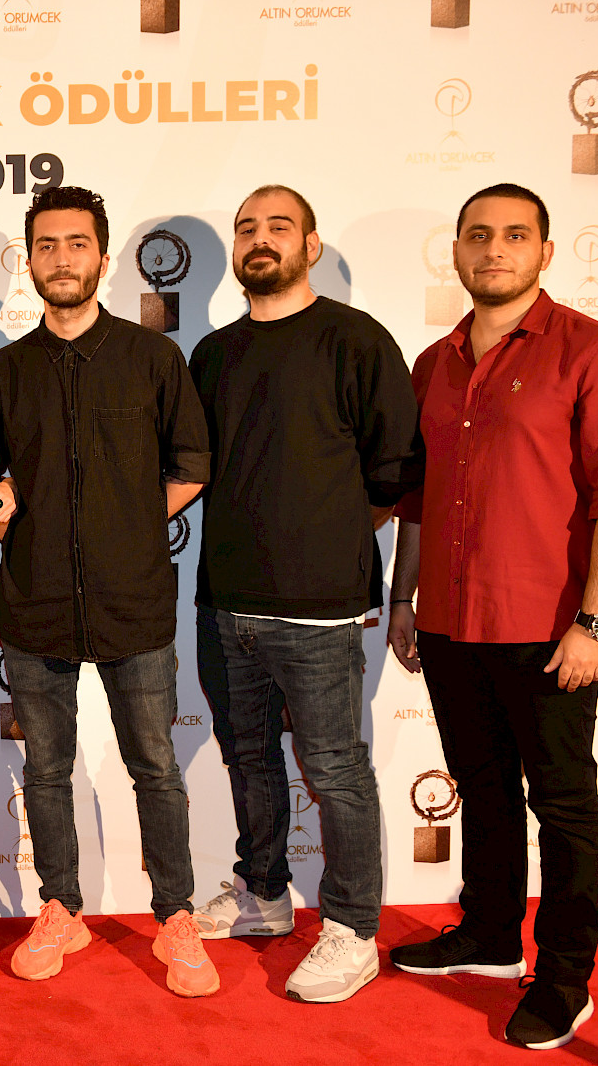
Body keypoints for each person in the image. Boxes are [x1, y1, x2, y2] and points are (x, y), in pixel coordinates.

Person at [386, 184, 598, 1050]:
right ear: (457, 251)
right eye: (478, 235)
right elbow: (420, 496)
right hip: (449, 619)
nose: (493, 249)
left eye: (513, 235)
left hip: (548, 625)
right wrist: (404, 596)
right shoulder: (434, 363)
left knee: (564, 802)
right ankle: (492, 934)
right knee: (485, 786)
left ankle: (566, 976)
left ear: (545, 250)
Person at [0, 186, 218, 995]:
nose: (62, 258)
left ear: (103, 258)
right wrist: (13, 519)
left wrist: (125, 525)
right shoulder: (2, 372)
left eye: (77, 243)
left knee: (156, 767)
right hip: (33, 607)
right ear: (29, 259)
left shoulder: (153, 358)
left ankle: (175, 915)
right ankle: (61, 907)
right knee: (46, 770)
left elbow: (193, 463)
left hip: (133, 602)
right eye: (47, 244)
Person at [189, 184, 423, 1003]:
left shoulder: (356, 339)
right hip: (225, 601)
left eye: (278, 226)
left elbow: (395, 470)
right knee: (248, 757)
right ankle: (263, 893)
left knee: (334, 769)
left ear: (311, 246)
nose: (260, 239)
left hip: (320, 610)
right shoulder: (212, 353)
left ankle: (353, 928)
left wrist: (329, 534)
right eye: (246, 228)